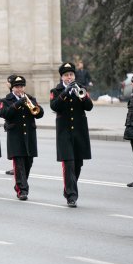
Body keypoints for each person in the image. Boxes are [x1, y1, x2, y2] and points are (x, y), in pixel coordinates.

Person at [50, 62, 93, 207]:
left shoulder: (81, 88)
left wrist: (82, 96)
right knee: (68, 164)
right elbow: (54, 106)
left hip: (79, 132)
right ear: (62, 77)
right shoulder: (55, 91)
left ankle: (68, 189)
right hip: (64, 133)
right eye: (66, 75)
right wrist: (65, 93)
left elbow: (89, 107)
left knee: (78, 165)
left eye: (71, 75)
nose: (69, 77)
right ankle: (71, 196)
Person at [0, 75, 44, 201]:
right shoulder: (6, 100)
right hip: (15, 136)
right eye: (17, 87)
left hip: (29, 135)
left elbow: (39, 114)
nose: (19, 89)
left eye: (21, 86)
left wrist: (36, 108)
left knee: (28, 162)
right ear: (12, 88)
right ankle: (22, 190)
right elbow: (5, 114)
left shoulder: (30, 98)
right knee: (19, 164)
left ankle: (20, 184)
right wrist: (18, 103)